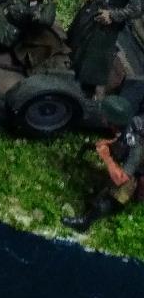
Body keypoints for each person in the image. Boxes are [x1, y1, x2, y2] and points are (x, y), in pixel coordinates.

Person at [68, 0, 143, 95]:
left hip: (109, 19)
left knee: (96, 55)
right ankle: (68, 68)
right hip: (92, 8)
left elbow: (136, 9)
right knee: (77, 38)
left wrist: (113, 15)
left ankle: (87, 87)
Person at [61, 95, 144, 232]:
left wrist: (106, 157)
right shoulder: (132, 124)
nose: (102, 117)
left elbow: (121, 179)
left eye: (104, 115)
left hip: (136, 168)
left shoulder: (136, 147)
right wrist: (111, 142)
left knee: (121, 191)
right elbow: (124, 136)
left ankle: (85, 222)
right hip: (134, 157)